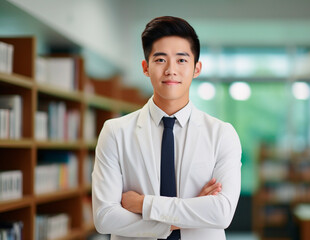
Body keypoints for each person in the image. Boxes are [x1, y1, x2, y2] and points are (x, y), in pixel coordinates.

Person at [92, 16, 242, 240]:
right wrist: (189, 212)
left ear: (196, 68)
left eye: (182, 60)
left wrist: (143, 204)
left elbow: (222, 213)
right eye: (160, 60)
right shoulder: (115, 132)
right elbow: (104, 217)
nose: (171, 70)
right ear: (145, 67)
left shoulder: (222, 134)